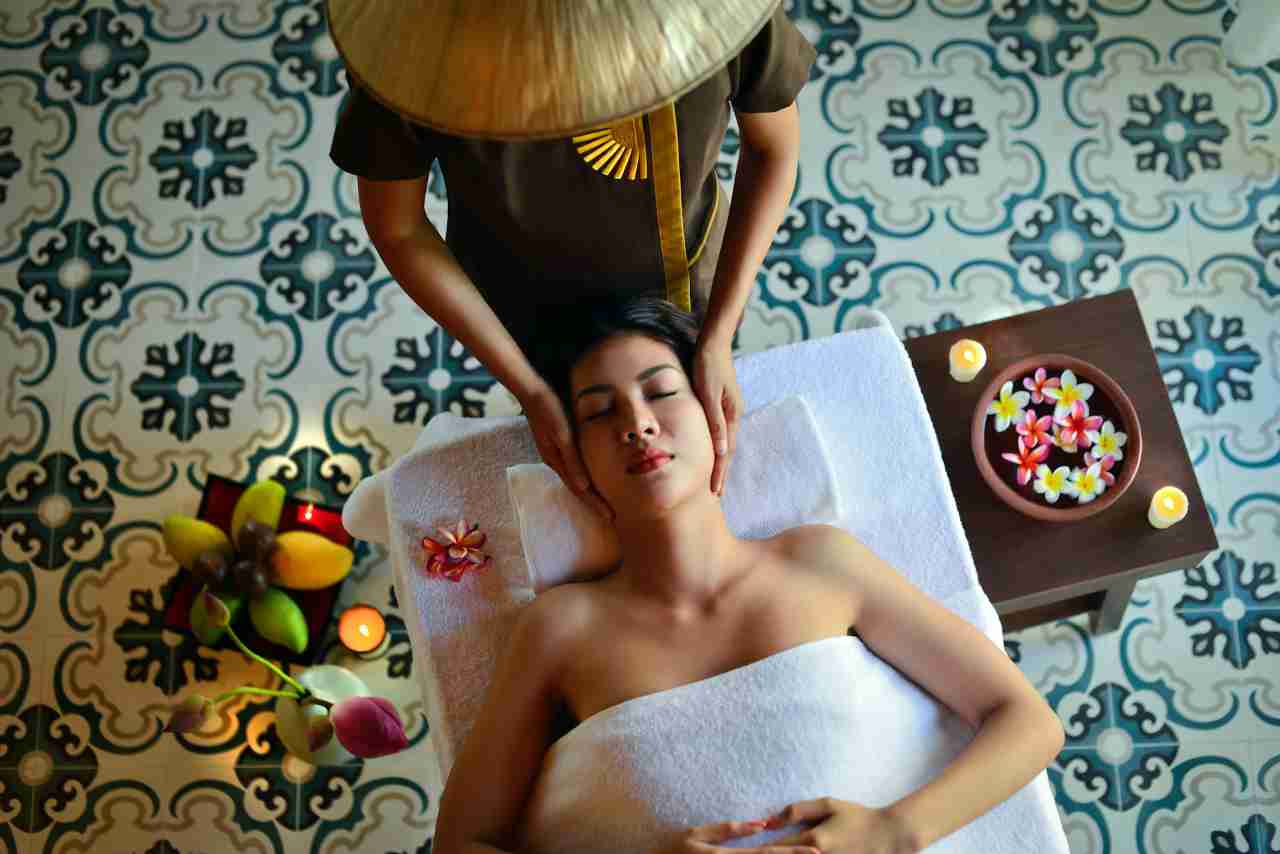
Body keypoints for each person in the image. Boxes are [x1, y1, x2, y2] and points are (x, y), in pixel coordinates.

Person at [431, 297, 1067, 854]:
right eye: (599, 412)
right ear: (572, 454)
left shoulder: (819, 562)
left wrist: (896, 832)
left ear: (714, 412)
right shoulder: (559, 628)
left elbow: (1025, 718)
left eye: (660, 391)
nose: (637, 422)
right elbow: (463, 843)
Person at [327, 0, 817, 520]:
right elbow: (399, 227)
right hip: (525, 314)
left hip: (688, 287)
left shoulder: (719, 14)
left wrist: (715, 338)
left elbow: (773, 149)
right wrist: (529, 387)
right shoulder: (416, 42)